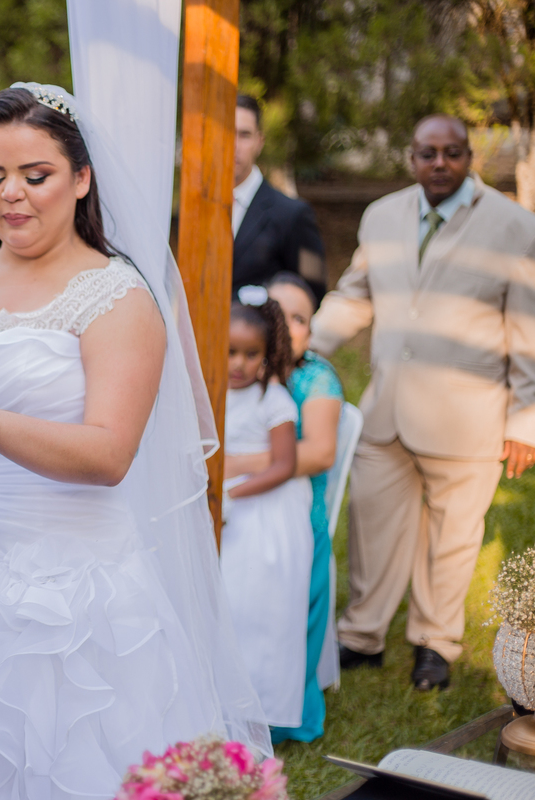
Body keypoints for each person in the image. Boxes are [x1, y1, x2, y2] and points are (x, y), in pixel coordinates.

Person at [0, 84, 270, 800]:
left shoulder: (116, 297)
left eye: (36, 175)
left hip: (66, 604)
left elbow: (109, 454)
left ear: (81, 178)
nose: (11, 196)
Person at [311, 113, 535, 692]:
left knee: (453, 539)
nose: (440, 163)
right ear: (411, 157)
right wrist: (295, 348)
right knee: (371, 529)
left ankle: (435, 642)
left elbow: (528, 332)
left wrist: (525, 421)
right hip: (386, 411)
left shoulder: (513, 225)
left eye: (452, 152)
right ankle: (361, 635)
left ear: (469, 158)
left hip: (470, 418)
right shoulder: (381, 216)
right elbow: (355, 295)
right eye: (427, 153)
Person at [220, 288, 312, 731]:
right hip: (222, 499)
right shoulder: (214, 393)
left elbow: (284, 466)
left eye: (249, 354)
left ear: (267, 354)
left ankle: (260, 711)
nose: (238, 364)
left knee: (252, 606)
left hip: (263, 508)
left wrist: (230, 495)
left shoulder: (273, 401)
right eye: (230, 352)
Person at [265, 271, 343, 743]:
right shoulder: (239, 367)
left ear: (309, 334)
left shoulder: (316, 376)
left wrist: (235, 462)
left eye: (299, 319)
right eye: (277, 313)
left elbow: (319, 453)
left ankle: (286, 710)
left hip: (297, 518)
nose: (286, 325)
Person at [232, 95, 326, 301]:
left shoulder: (293, 214)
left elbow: (313, 292)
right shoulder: (196, 212)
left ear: (259, 142)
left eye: (244, 135)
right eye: (226, 133)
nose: (234, 145)